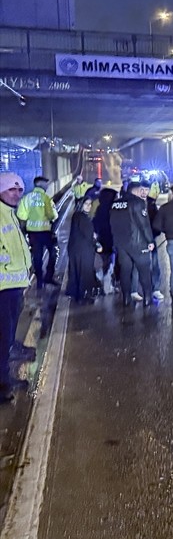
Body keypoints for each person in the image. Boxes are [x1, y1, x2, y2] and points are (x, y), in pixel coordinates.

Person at [0, 172, 33, 403]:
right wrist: (10, 265)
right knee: (2, 338)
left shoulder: (9, 214)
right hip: (3, 287)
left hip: (14, 286)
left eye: (20, 190)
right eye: (12, 189)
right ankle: (1, 386)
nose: (17, 194)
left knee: (8, 337)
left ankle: (5, 378)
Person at [110, 177, 157, 307]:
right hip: (137, 243)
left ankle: (126, 299)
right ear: (136, 190)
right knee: (144, 271)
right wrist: (150, 240)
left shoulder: (115, 204)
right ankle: (148, 298)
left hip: (121, 244)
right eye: (141, 190)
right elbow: (144, 224)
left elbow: (112, 224)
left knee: (125, 271)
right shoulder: (138, 203)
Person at [16, 175, 59, 289]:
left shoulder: (26, 198)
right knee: (53, 253)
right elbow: (53, 215)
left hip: (33, 234)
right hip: (46, 233)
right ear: (40, 184)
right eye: (45, 184)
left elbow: (21, 216)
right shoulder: (46, 198)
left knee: (37, 257)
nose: (47, 185)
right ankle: (49, 277)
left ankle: (39, 281)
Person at [65, 192, 98, 303]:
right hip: (84, 250)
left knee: (75, 272)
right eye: (86, 204)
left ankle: (75, 293)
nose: (89, 206)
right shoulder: (83, 218)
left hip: (74, 249)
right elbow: (89, 235)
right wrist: (96, 243)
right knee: (85, 272)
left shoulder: (76, 216)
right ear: (80, 205)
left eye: (90, 204)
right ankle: (84, 296)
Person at [92, 186, 118, 294]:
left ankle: (103, 283)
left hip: (102, 240)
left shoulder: (100, 209)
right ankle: (107, 286)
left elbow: (95, 224)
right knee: (110, 263)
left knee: (105, 262)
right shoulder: (113, 210)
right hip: (111, 241)